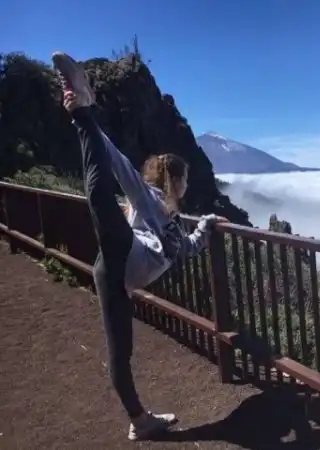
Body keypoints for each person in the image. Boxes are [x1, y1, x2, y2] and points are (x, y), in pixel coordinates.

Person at [51, 51, 229, 441]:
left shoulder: (175, 224)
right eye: (184, 180)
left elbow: (188, 248)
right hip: (125, 253)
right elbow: (120, 166)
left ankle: (139, 420)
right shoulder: (151, 199)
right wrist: (86, 119)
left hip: (117, 276)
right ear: (175, 180)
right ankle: (81, 109)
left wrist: (208, 224)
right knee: (100, 195)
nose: (187, 186)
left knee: (121, 353)